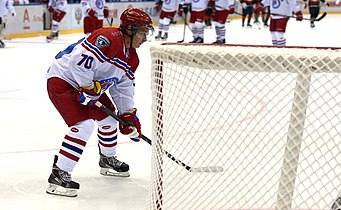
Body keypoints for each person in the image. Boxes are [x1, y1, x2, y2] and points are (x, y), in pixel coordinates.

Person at [45, 8, 153, 197]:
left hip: (91, 86)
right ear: (130, 29)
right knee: (84, 125)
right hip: (63, 80)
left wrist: (127, 115)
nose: (144, 38)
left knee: (109, 120)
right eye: (142, 32)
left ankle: (107, 160)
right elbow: (77, 63)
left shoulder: (132, 58)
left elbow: (123, 88)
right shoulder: (107, 38)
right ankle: (59, 174)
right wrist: (87, 87)